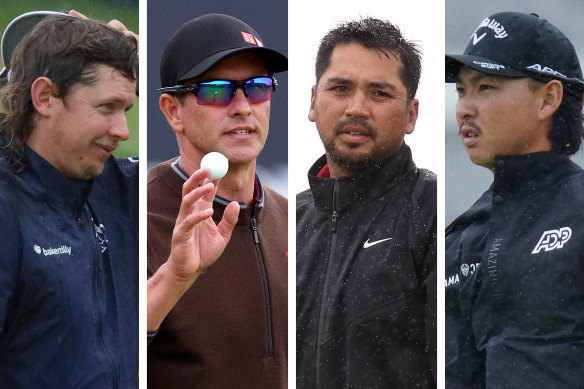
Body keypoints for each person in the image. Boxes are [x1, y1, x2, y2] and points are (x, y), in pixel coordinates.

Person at [146, 13, 288, 388]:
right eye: (216, 90)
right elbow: (95, 354)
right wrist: (173, 279)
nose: (243, 106)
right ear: (173, 111)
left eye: (258, 87)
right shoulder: (134, 217)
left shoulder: (296, 220)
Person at [445, 11, 584, 388]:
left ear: (548, 99)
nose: (464, 109)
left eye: (485, 87)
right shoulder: (458, 240)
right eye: (461, 90)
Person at [0, 11, 139, 388]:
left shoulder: (124, 185)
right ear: (45, 97)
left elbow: (201, 153)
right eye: (106, 107)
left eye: (126, 109)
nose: (123, 131)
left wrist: (144, 54)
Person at [296, 17, 437, 388]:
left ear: (411, 114)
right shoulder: (286, 221)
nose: (356, 108)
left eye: (379, 93)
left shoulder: (435, 212)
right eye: (340, 88)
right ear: (313, 101)